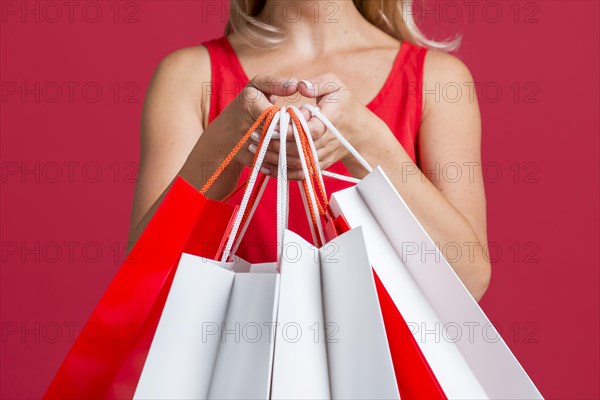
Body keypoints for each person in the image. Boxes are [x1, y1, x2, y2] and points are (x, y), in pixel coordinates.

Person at [128, 0, 491, 301]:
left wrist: (366, 141)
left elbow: (468, 280)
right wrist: (224, 143)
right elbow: (142, 280)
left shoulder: (440, 80)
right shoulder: (188, 76)